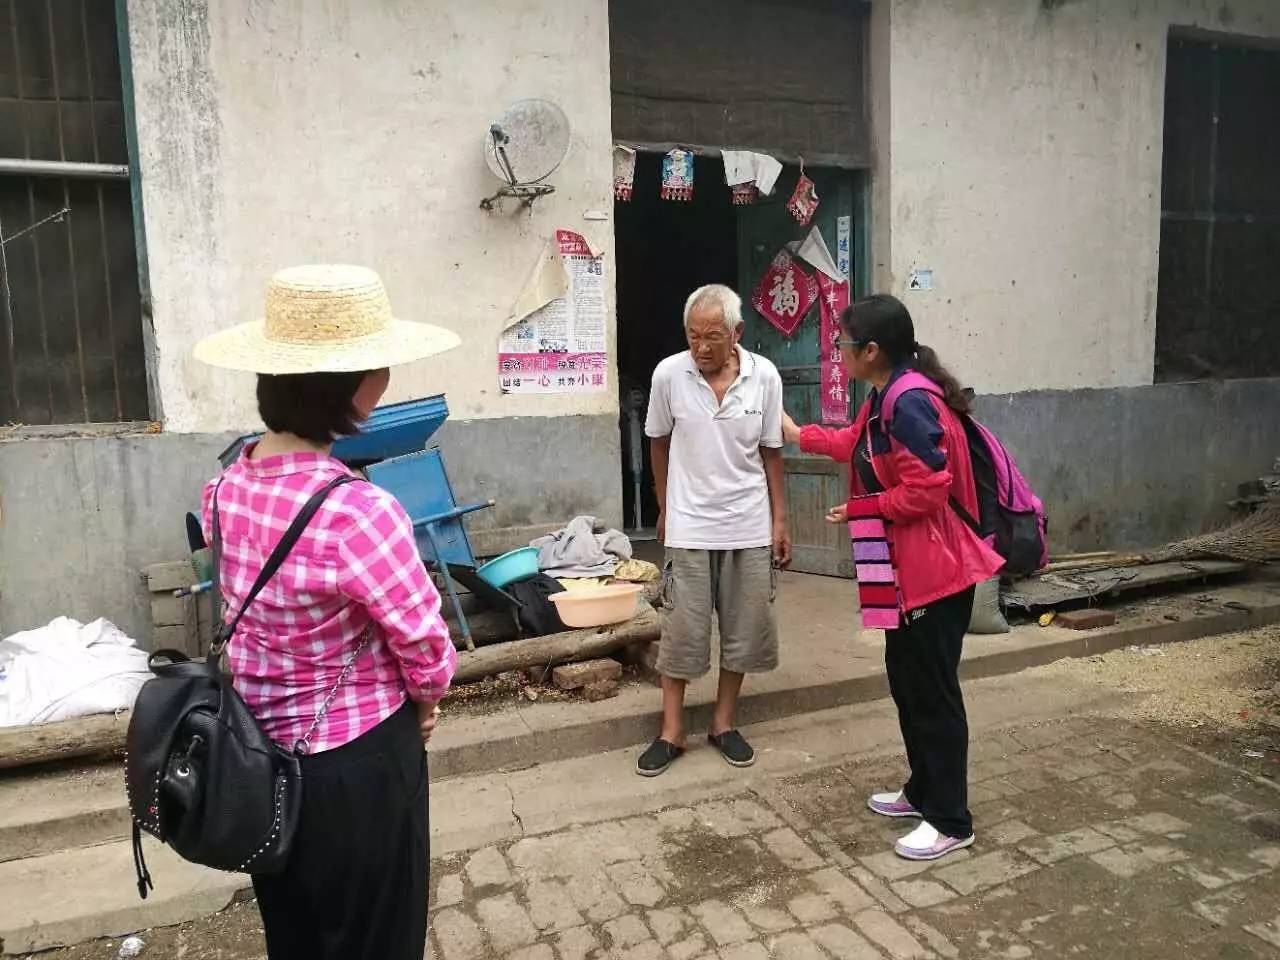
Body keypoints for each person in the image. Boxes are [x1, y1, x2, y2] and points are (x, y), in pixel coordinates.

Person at [192, 264, 462, 959]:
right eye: (377, 366)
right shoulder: (359, 513)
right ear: (349, 389)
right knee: (378, 939)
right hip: (356, 769)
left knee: (297, 937)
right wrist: (425, 704)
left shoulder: (222, 491)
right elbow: (427, 646)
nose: (386, 378)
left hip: (259, 763)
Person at [782, 293, 1002, 861]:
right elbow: (852, 444)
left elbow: (928, 491)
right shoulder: (884, 395)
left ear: (872, 350)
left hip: (936, 573)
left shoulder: (909, 402)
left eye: (844, 343)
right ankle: (922, 790)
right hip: (903, 571)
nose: (838, 351)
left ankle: (950, 820)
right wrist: (795, 432)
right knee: (907, 684)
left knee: (933, 696)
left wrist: (864, 508)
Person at [637, 283, 791, 777]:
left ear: (737, 333)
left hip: (748, 523)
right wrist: (665, 506)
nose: (700, 347)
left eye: (712, 336)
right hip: (690, 526)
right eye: (692, 335)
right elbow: (658, 442)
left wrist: (779, 518)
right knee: (681, 632)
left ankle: (723, 724)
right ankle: (671, 731)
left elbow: (772, 451)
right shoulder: (669, 374)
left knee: (743, 630)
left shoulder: (765, 376)